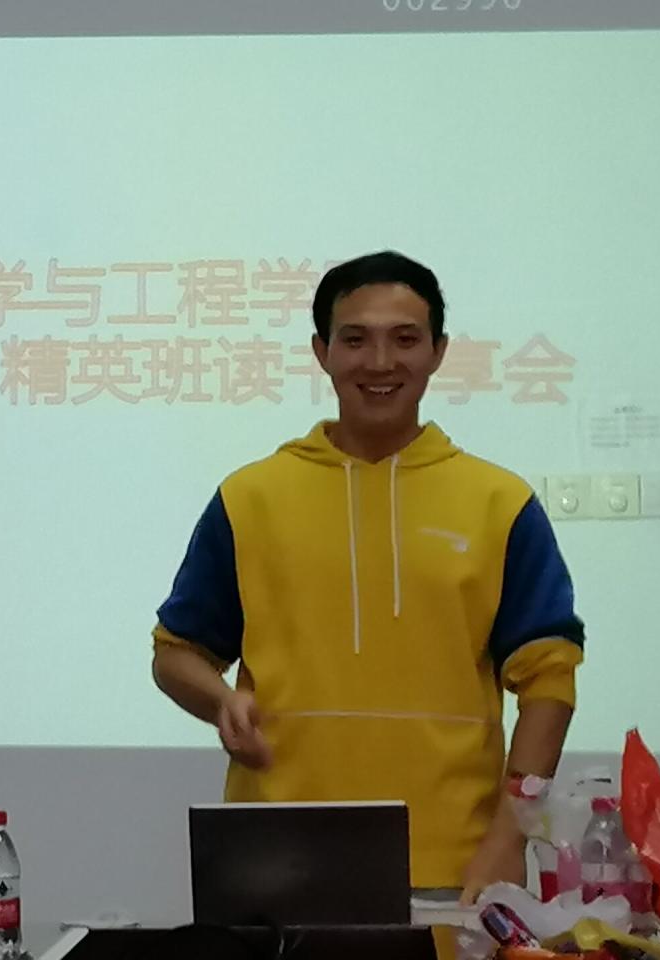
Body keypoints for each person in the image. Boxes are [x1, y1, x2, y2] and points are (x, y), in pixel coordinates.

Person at [151, 251, 584, 904]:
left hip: (454, 867)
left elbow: (549, 684)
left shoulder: (500, 503)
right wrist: (219, 702)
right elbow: (175, 653)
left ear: (438, 352)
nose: (380, 363)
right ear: (321, 352)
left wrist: (508, 837)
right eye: (355, 339)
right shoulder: (251, 497)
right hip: (274, 858)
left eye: (405, 339)